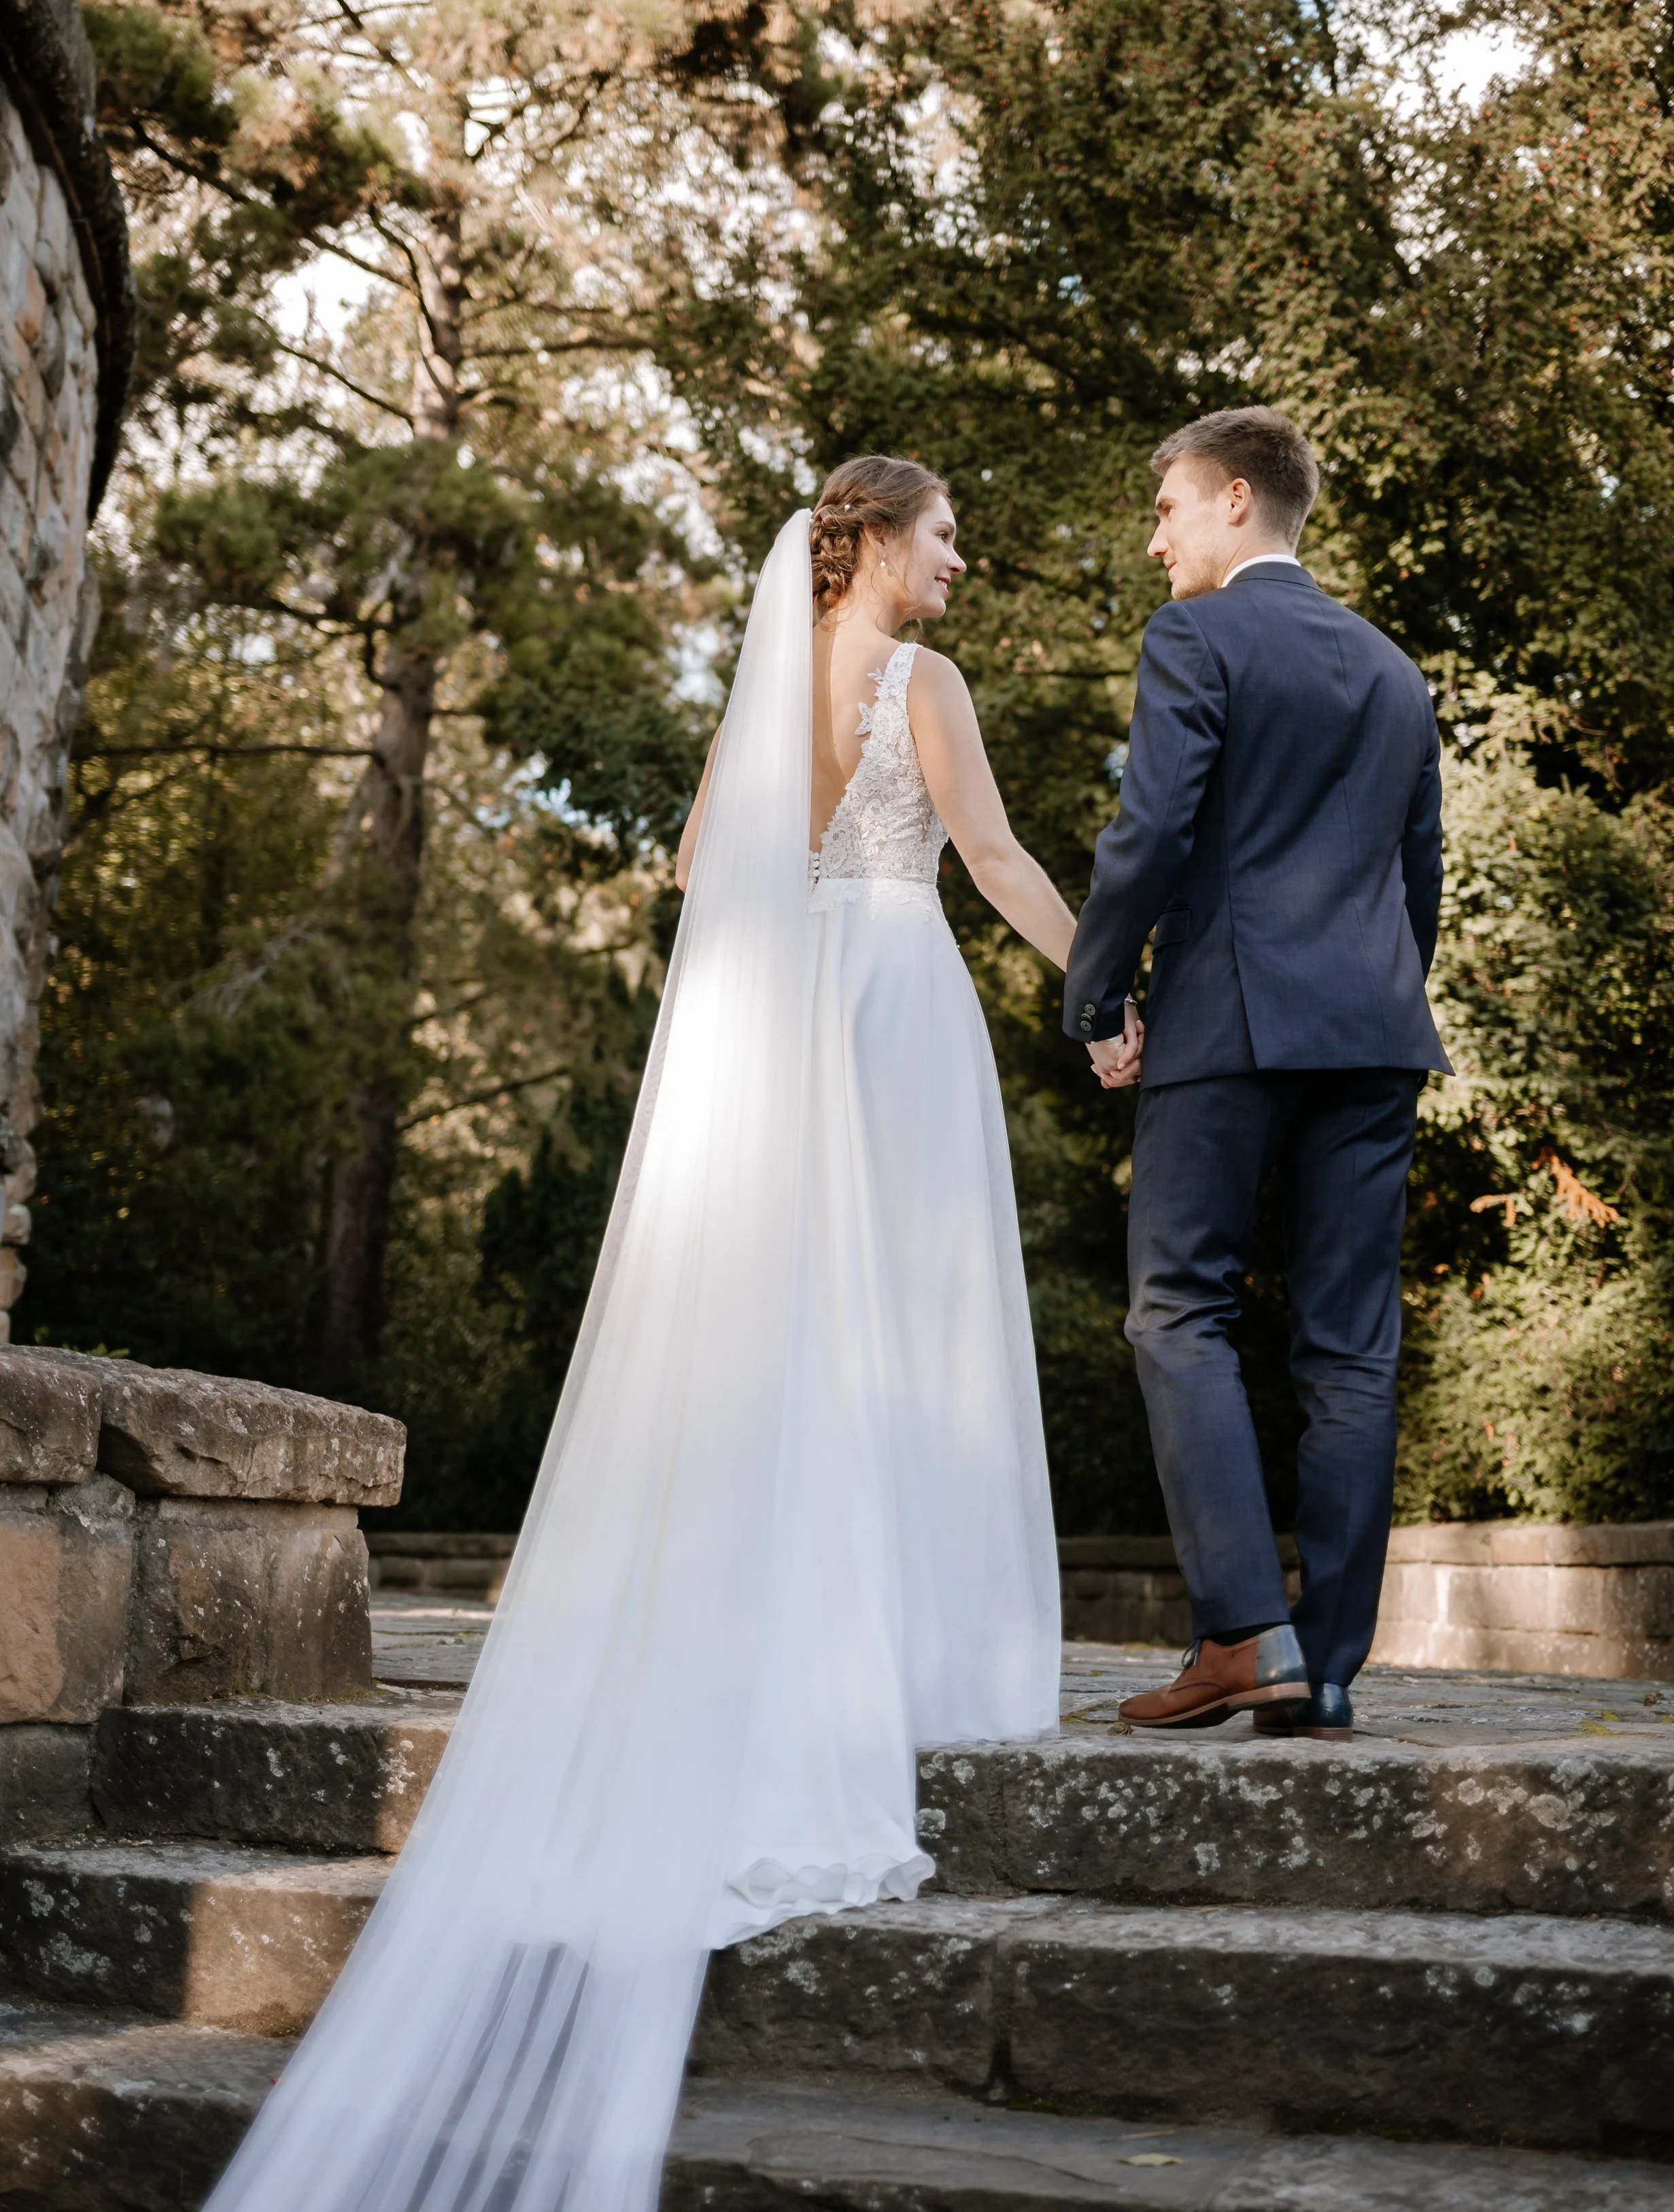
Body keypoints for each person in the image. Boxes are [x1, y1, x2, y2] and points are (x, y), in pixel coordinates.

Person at [201, 459, 1070, 2212]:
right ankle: (916, 1645)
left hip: (788, 1011)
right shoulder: (922, 685)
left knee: (805, 1342)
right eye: (946, 534)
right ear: (880, 543)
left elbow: (695, 865)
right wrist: (1103, 979)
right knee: (919, 1329)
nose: (961, 557)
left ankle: (800, 1633)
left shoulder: (769, 682)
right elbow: (983, 852)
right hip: (894, 1002)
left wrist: (796, 909)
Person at [1063, 407, 1448, 1743]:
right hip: (1375, 1032)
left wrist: (1098, 993)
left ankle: (1241, 1636)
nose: (1155, 532)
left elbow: (1151, 830)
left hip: (1227, 1016)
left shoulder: (1197, 637)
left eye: (1166, 505)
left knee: (1177, 1310)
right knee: (1351, 1349)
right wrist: (1378, 995)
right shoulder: (1396, 671)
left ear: (1234, 499)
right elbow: (1418, 886)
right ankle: (1325, 1668)